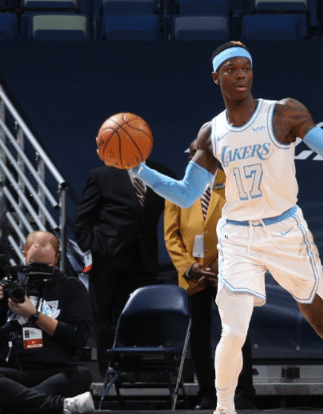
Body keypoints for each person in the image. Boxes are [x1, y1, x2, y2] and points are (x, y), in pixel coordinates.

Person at [118, 41, 323, 414]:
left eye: (245, 68)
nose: (240, 74)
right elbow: (185, 194)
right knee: (232, 330)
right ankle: (224, 408)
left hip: (285, 230)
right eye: (231, 69)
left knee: (322, 321)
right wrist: (139, 169)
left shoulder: (284, 113)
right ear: (216, 77)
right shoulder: (211, 132)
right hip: (237, 236)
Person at [163, 136, 256, 411]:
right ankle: (207, 393)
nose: (198, 158)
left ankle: (244, 392)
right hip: (193, 276)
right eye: (194, 153)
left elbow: (244, 228)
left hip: (229, 272)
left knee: (236, 333)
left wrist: (219, 265)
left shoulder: (236, 185)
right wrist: (189, 267)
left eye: (204, 153)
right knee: (199, 336)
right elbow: (171, 236)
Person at [73, 161, 175, 376]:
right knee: (103, 315)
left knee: (139, 317)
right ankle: (107, 369)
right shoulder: (102, 175)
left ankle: (131, 369)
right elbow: (82, 218)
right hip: (106, 258)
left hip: (143, 259)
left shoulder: (163, 173)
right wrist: (93, 248)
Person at [0, 231, 94, 414]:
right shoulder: (11, 287)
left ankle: (17, 404)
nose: (39, 271)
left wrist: (34, 315)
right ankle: (62, 405)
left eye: (46, 266)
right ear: (24, 255)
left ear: (57, 258)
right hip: (14, 369)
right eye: (33, 265)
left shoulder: (72, 287)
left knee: (82, 375)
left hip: (55, 370)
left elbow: (77, 338)